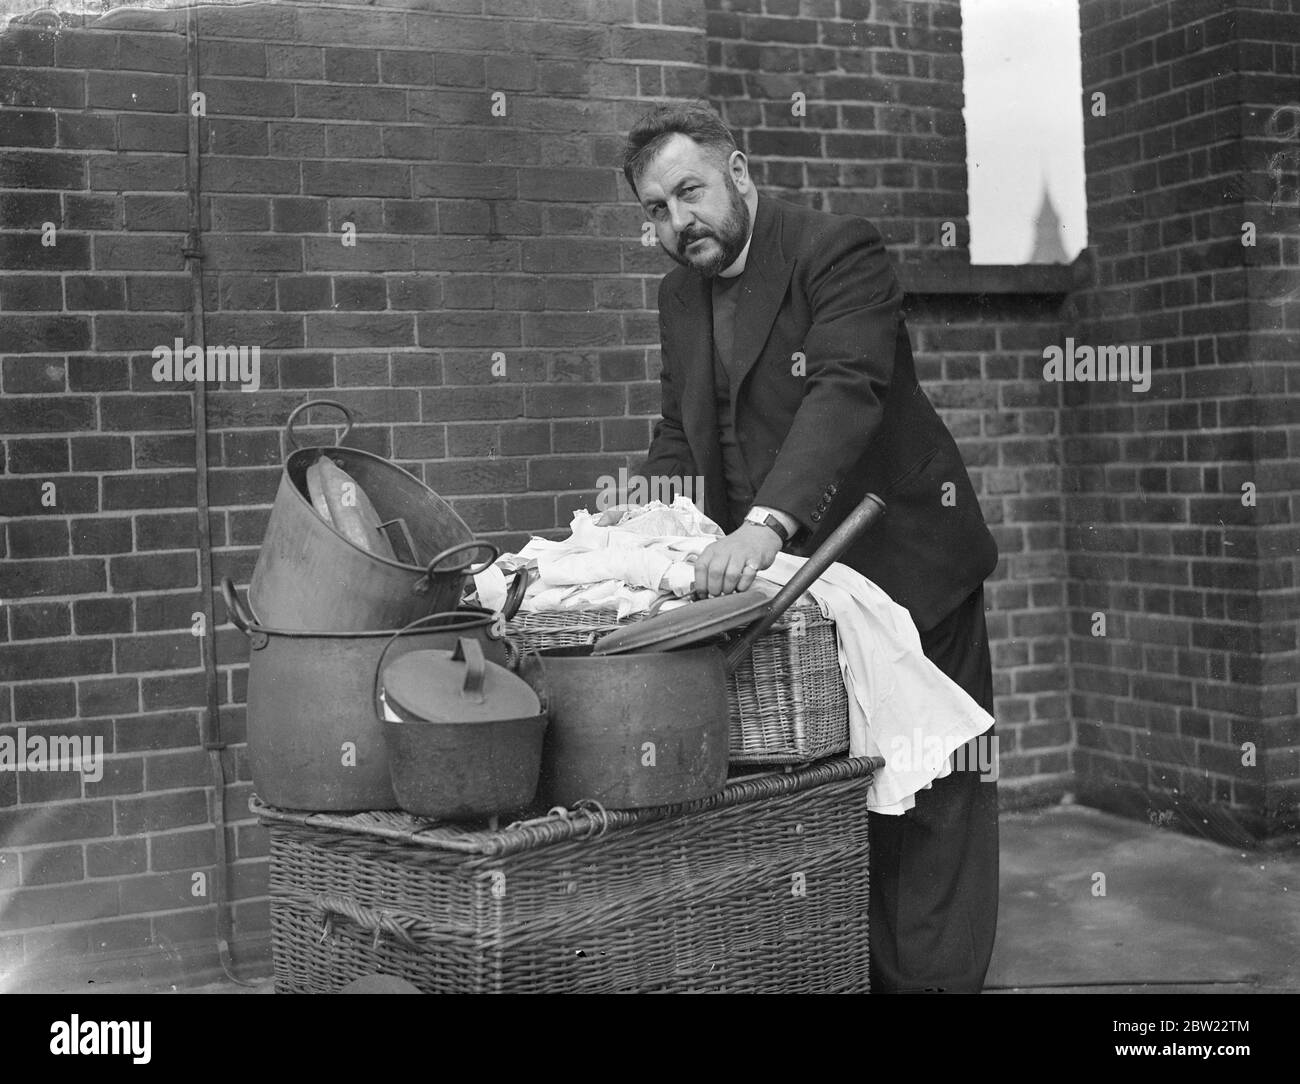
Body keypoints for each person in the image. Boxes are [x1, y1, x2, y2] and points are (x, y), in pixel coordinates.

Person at [621, 102, 1001, 994]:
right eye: (656, 210)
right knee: (840, 804)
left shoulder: (837, 249)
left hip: (907, 566)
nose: (680, 223)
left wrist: (766, 523)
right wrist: (641, 530)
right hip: (801, 594)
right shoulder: (680, 294)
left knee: (929, 799)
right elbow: (683, 435)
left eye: (690, 191)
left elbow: (845, 390)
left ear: (739, 172)